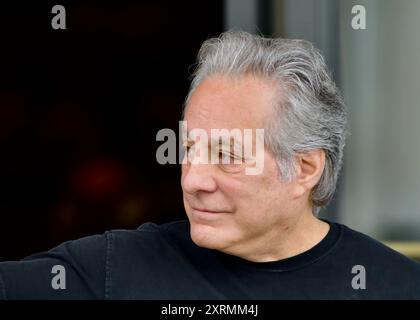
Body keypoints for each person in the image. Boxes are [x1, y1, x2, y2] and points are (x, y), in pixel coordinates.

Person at [1, 30, 419, 300]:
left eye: (227, 156)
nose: (193, 179)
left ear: (305, 168)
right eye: (190, 149)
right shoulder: (115, 269)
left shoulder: (396, 287)